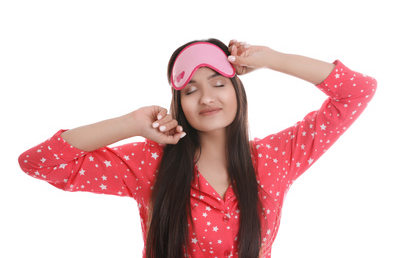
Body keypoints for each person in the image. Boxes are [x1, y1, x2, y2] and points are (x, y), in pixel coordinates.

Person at [18, 38, 377, 258]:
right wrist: (131, 122)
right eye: (190, 90)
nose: (207, 97)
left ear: (237, 91)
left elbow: (357, 91)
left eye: (218, 83)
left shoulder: (275, 158)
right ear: (179, 104)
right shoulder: (150, 163)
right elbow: (39, 163)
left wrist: (270, 59)